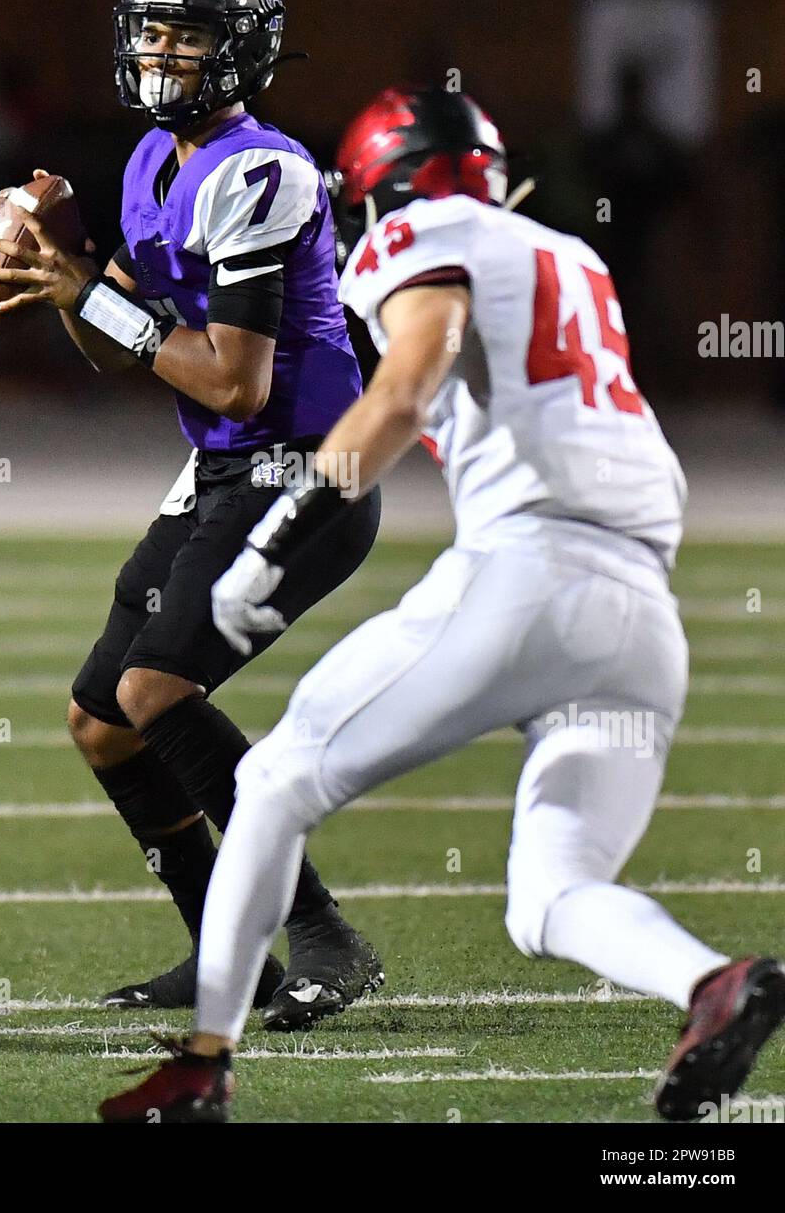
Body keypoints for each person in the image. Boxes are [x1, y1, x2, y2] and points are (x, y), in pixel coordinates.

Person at [98, 86, 785, 1123]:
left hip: (529, 572)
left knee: (278, 777)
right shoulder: (577, 258)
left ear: (388, 183)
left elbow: (409, 383)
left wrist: (277, 537)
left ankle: (202, 1069)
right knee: (547, 896)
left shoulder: (422, 233)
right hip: (643, 610)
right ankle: (712, 984)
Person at [0, 0, 383, 1029]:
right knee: (100, 720)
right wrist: (59, 283)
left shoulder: (261, 169)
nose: (162, 50)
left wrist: (89, 292)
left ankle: (324, 933)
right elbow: (118, 348)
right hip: (225, 469)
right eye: (151, 28)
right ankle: (230, 956)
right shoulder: (153, 161)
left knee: (158, 692)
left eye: (188, 32)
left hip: (307, 469)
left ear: (239, 50)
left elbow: (239, 381)